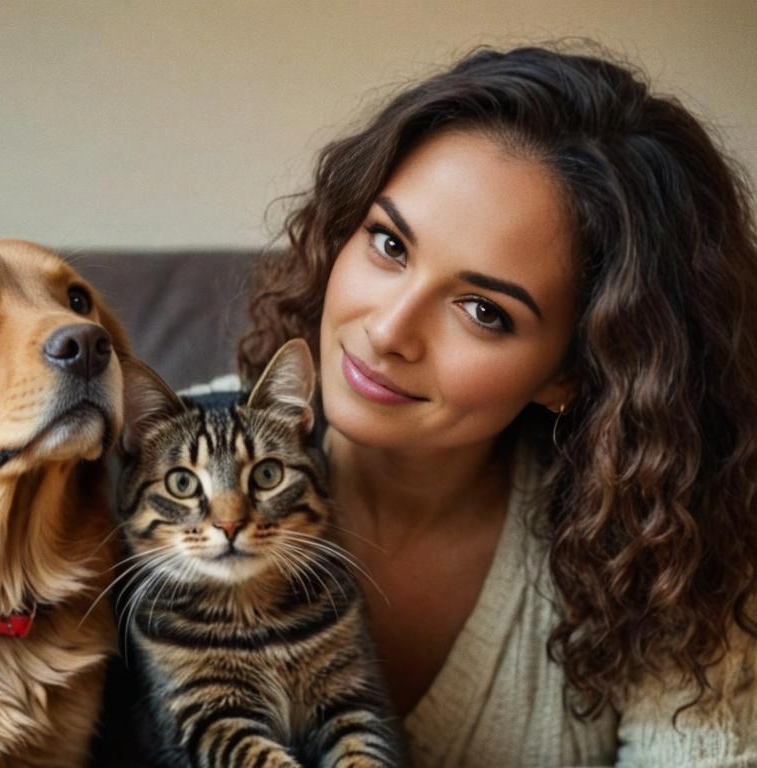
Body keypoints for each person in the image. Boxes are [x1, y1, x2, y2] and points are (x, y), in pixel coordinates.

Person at [237, 44, 757, 766]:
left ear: (574, 371)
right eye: (388, 244)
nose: (388, 331)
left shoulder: (663, 554)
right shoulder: (131, 471)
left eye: (483, 310)